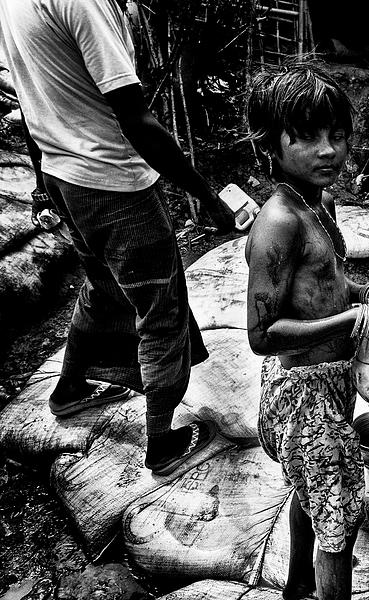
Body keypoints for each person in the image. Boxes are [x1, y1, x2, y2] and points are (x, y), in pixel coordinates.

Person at [0, 0, 234, 475]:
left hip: (64, 174)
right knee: (162, 310)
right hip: (114, 184)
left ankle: (70, 391)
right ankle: (163, 442)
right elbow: (135, 119)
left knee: (103, 289)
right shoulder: (84, 4)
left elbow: (28, 101)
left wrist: (44, 183)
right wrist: (209, 199)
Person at [245, 58, 369, 600]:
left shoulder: (319, 202)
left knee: (311, 496)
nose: (328, 150)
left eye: (337, 136)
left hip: (331, 381)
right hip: (303, 396)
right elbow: (262, 335)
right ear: (271, 143)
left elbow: (326, 287)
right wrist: (358, 319)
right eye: (308, 137)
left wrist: (367, 295)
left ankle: (297, 587)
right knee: (339, 528)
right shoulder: (279, 221)